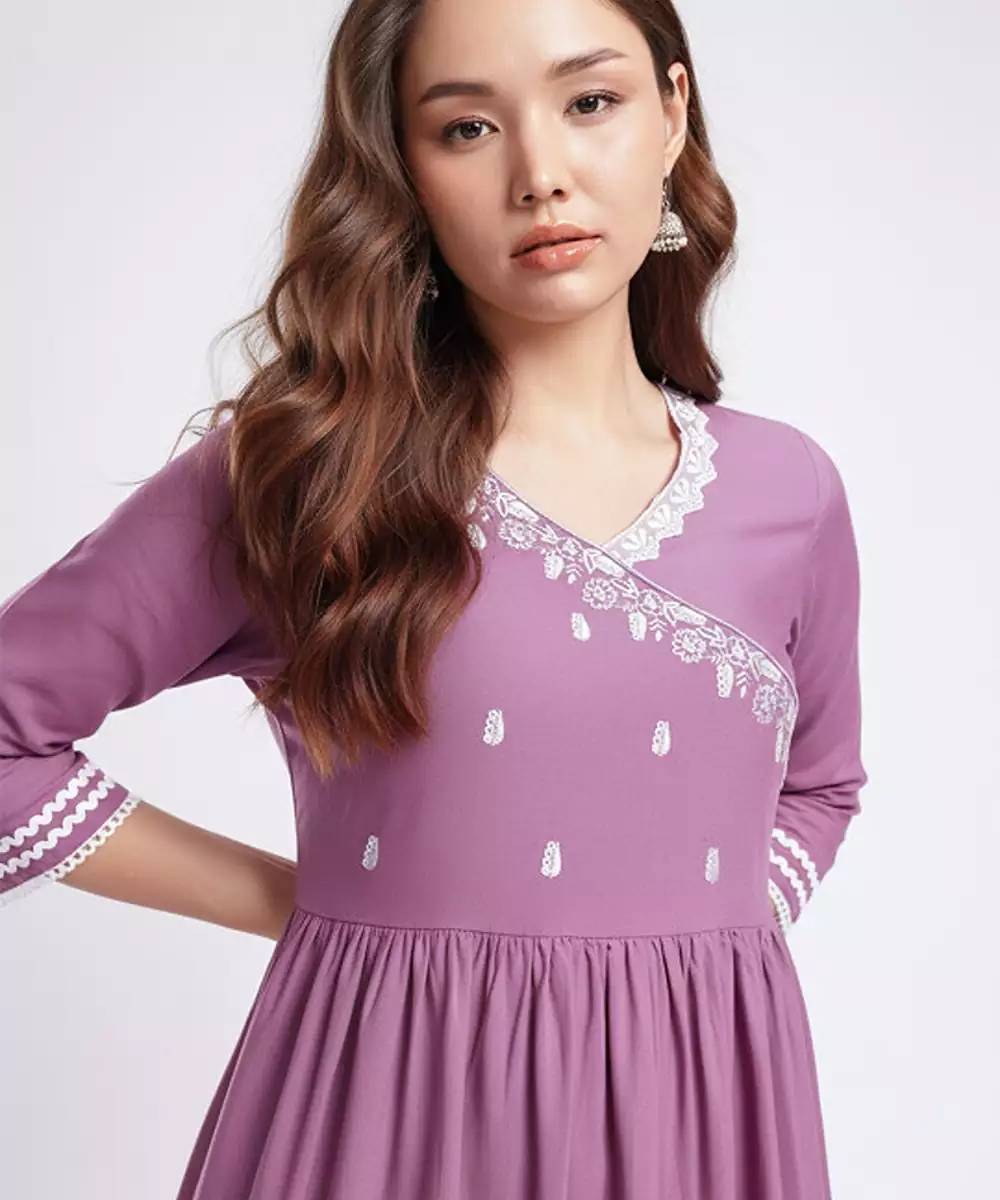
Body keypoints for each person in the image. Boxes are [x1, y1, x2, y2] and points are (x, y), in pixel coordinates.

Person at [0, 0, 868, 1195]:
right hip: (386, 1117)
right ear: (401, 168)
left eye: (591, 101)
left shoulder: (789, 490)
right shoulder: (311, 472)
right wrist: (309, 905)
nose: (539, 174)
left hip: (697, 1120)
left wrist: (694, 955)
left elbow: (821, 785)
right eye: (466, 127)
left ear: (672, 113)